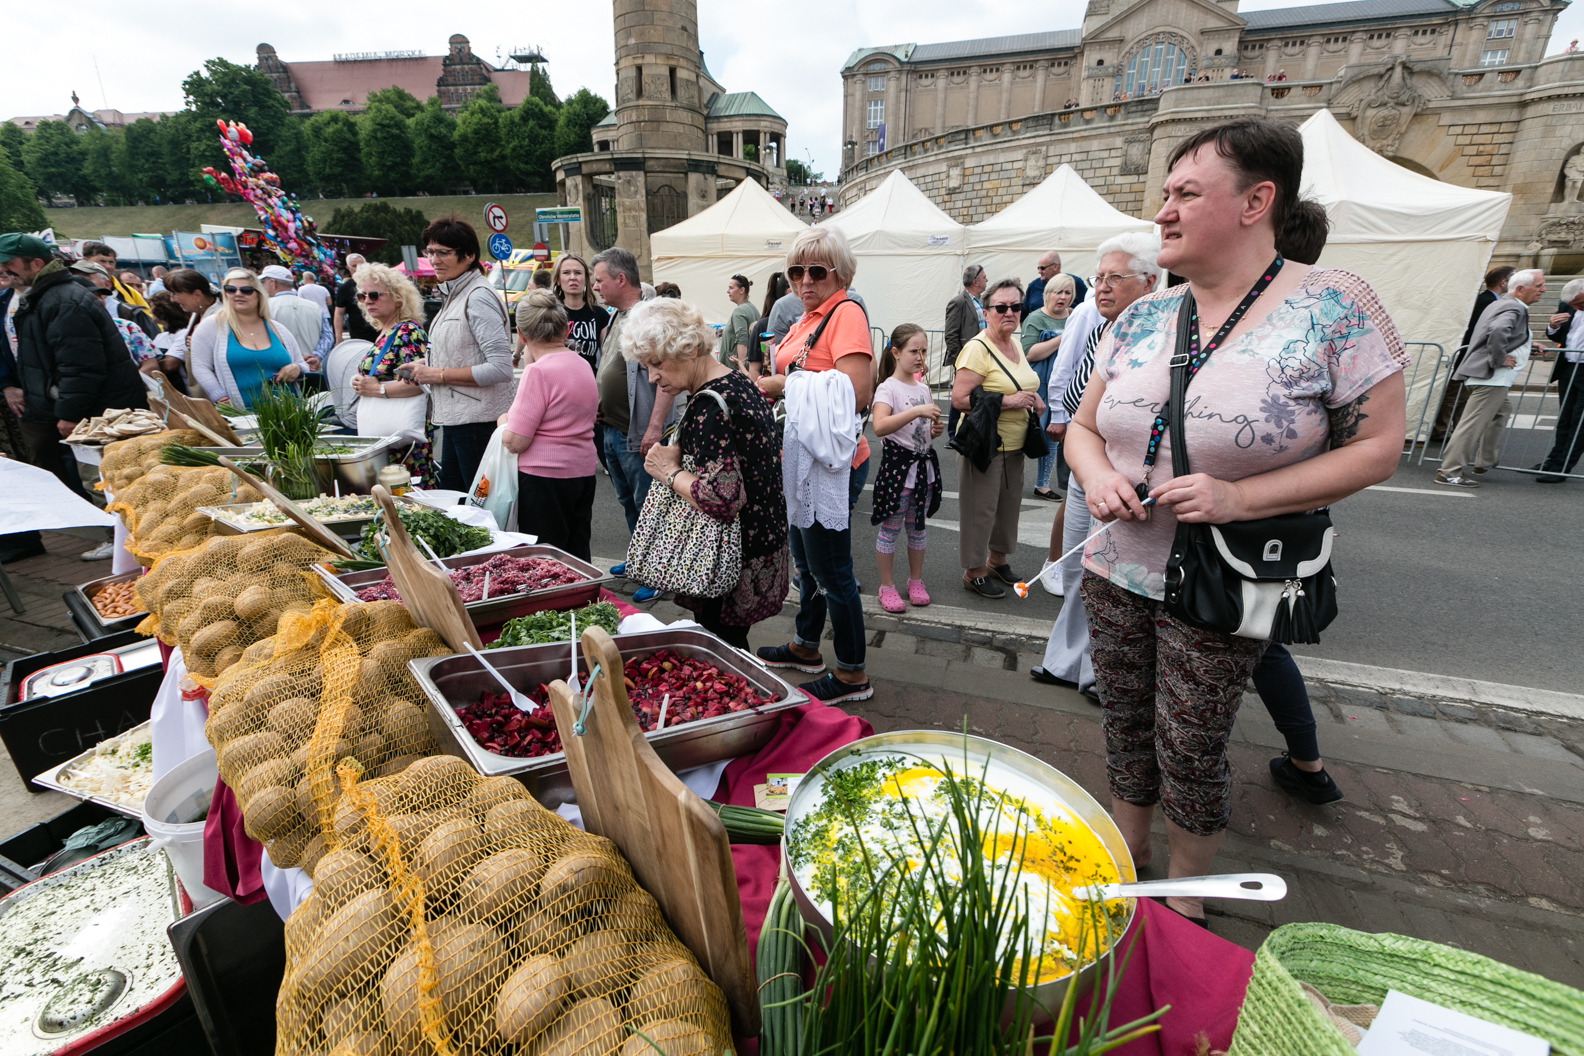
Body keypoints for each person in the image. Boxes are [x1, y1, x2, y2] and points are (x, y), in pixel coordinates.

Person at [1063, 119, 1407, 924]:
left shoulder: (1335, 305)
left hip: (1226, 575)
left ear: (1257, 201)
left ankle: (1187, 900)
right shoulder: (1142, 316)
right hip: (1116, 564)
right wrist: (1099, 474)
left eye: (1186, 193)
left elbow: (1381, 447)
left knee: (1189, 741)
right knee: (1125, 724)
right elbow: (1081, 428)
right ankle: (1127, 860)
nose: (1163, 212)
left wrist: (1240, 498)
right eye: (1165, 194)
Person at [755, 225, 874, 703]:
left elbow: (858, 390)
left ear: (839, 273)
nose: (805, 280)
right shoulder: (808, 317)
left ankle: (851, 674)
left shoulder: (845, 313)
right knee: (807, 563)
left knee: (832, 571)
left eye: (817, 271)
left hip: (829, 464)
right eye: (796, 271)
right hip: (803, 456)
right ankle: (806, 645)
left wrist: (783, 385)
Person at [628, 297, 790, 646]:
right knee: (731, 640)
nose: (654, 377)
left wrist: (669, 472)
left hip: (729, 556)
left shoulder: (708, 406)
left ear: (687, 349)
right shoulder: (737, 381)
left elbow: (722, 498)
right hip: (763, 541)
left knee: (724, 651)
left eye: (656, 364)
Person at [0, 233, 146, 562]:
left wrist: (69, 413)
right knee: (97, 477)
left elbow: (81, 366)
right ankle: (122, 541)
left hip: (93, 411)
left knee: (103, 478)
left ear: (36, 264)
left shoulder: (62, 300)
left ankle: (127, 546)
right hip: (71, 405)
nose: (4, 270)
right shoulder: (45, 295)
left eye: (10, 264)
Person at [404, 217, 516, 493]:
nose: (434, 259)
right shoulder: (454, 292)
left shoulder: (477, 296)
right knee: (457, 504)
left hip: (478, 423)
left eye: (443, 252)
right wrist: (424, 365)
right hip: (456, 420)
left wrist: (436, 374)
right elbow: (464, 351)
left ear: (468, 256)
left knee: (481, 508)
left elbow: (501, 368)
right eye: (430, 252)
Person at [951, 278, 1044, 598]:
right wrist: (1009, 402)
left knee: (1007, 508)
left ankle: (996, 561)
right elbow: (959, 399)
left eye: (1016, 307)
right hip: (986, 446)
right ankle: (973, 570)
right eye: (1001, 307)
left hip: (1016, 445)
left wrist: (1034, 397)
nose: (1009, 313)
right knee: (981, 510)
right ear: (986, 312)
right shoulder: (977, 349)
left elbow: (1021, 382)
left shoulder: (1015, 343)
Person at [499, 291, 599, 559]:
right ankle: (584, 599)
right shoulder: (582, 364)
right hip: (582, 471)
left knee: (546, 558)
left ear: (521, 334)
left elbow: (515, 441)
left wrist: (503, 421)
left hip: (545, 477)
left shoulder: (538, 371)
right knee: (577, 551)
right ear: (566, 329)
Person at [594, 247, 676, 562]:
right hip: (613, 429)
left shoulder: (649, 317)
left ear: (621, 278)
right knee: (627, 501)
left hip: (638, 432)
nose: (596, 287)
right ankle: (639, 560)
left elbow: (667, 377)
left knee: (648, 504)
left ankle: (657, 569)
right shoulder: (615, 316)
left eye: (600, 280)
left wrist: (654, 428)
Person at [1437, 269, 1545, 487]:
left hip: (1488, 377)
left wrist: (1527, 345)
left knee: (1501, 412)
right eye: (1539, 285)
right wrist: (1499, 358)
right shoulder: (1514, 306)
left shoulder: (1503, 303)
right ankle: (1449, 471)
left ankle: (1484, 462)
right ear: (1521, 289)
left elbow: (1498, 331)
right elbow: (1497, 330)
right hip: (1492, 377)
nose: (1543, 290)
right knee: (1471, 425)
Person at [870, 324, 943, 613]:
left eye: (924, 351)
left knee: (917, 529)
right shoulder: (887, 387)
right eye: (914, 351)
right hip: (898, 471)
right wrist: (916, 411)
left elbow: (924, 429)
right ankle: (886, 586)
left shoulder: (923, 388)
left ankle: (915, 581)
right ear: (896, 352)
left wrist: (934, 429)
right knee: (890, 529)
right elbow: (879, 426)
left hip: (923, 470)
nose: (920, 357)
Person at [347, 262, 435, 483]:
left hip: (402, 439)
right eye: (362, 295)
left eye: (375, 295)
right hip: (388, 435)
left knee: (406, 492)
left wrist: (377, 389)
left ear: (398, 299)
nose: (367, 300)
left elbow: (420, 381)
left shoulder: (408, 331)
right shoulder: (386, 331)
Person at [189, 267, 308, 408]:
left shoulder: (278, 328)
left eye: (246, 290)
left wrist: (296, 367)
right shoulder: (211, 325)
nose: (238, 294)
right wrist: (220, 398)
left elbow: (301, 364)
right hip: (242, 416)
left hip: (290, 411)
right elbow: (200, 367)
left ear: (258, 294)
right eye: (230, 289)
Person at [1021, 273, 1075, 501]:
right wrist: (1065, 337)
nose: (1062, 297)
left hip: (1069, 384)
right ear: (1047, 294)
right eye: (1058, 292)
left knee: (1057, 432)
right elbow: (1029, 352)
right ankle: (1010, 479)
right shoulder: (1035, 318)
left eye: (1067, 292)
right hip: (1041, 384)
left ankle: (1042, 484)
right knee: (1032, 431)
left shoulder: (1075, 315)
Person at [1537, 278, 1584, 482]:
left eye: (1580, 304)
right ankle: (1554, 459)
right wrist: (1552, 326)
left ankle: (1562, 467)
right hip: (1568, 369)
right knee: (1565, 418)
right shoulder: (1567, 305)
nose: (1575, 308)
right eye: (1573, 305)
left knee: (1579, 422)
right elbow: (1561, 338)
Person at [945, 264, 988, 438]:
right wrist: (959, 360)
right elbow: (951, 335)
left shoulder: (982, 301)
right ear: (975, 281)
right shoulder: (959, 302)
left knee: (976, 394)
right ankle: (953, 434)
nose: (987, 280)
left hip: (982, 357)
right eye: (984, 277)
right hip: (965, 359)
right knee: (961, 395)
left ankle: (972, 431)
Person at [260, 264, 330, 367]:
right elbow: (327, 336)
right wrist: (316, 356)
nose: (262, 286)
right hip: (314, 371)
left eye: (263, 282)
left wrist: (295, 361)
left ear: (272, 283)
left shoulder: (264, 308)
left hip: (283, 372)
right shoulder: (315, 307)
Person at [554, 254, 607, 374]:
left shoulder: (600, 315)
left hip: (588, 382)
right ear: (558, 280)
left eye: (578, 273)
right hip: (558, 384)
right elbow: (532, 351)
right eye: (566, 273)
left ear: (586, 279)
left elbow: (608, 356)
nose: (573, 277)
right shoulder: (551, 314)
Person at [146, 291, 191, 391]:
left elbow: (169, 365)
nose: (150, 312)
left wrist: (149, 367)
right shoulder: (160, 337)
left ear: (163, 311)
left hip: (189, 393)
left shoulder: (184, 334)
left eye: (152, 308)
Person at [334, 253, 378, 344]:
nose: (358, 268)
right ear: (348, 267)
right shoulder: (345, 288)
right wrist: (338, 337)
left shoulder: (376, 283)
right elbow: (339, 313)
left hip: (378, 330)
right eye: (354, 265)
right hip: (358, 334)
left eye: (361, 265)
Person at [718, 274, 759, 370]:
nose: (727, 291)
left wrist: (742, 369)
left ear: (741, 290)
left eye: (731, 288)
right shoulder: (752, 308)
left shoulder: (739, 311)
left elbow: (742, 340)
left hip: (735, 369)